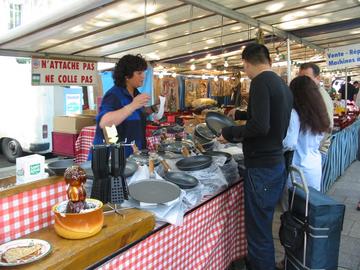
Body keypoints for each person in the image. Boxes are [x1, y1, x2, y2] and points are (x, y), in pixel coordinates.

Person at [218, 43, 293, 270]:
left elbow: (260, 126)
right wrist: (241, 113)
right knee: (264, 226)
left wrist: (229, 133)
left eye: (244, 67)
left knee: (259, 232)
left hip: (261, 167)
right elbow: (270, 118)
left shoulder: (260, 82)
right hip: (275, 164)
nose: (245, 72)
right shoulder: (282, 85)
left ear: (247, 62)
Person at [90, 54, 156, 158]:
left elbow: (138, 114)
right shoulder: (113, 95)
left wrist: (156, 107)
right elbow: (104, 122)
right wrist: (132, 105)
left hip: (132, 154)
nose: (143, 76)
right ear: (127, 76)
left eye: (143, 72)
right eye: (139, 73)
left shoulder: (135, 94)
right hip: (111, 158)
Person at [298, 63, 333, 157]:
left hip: (316, 151)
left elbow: (328, 126)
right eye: (300, 78)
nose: (302, 81)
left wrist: (314, 148)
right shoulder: (308, 93)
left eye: (306, 78)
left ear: (318, 78)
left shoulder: (321, 96)